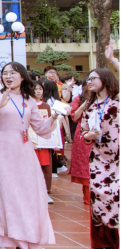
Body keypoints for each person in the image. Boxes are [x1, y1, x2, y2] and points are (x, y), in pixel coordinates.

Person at [0, 62, 57, 249]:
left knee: (28, 194)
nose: (8, 76)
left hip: (25, 150)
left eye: (13, 73)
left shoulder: (29, 100)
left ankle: (28, 237)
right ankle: (8, 239)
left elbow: (41, 129)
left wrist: (54, 118)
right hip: (2, 149)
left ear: (22, 76)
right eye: (5, 73)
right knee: (8, 194)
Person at [80, 68, 119, 249]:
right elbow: (83, 134)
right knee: (99, 198)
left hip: (118, 161)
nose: (89, 81)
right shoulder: (90, 106)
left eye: (93, 78)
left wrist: (115, 62)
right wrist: (90, 135)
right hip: (98, 161)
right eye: (89, 78)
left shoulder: (117, 102)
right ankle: (101, 243)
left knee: (115, 198)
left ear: (105, 79)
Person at [69, 83, 93, 205]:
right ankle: (88, 197)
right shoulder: (78, 99)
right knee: (85, 164)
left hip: (101, 133)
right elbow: (74, 117)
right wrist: (84, 105)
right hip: (83, 133)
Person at [33, 80, 55, 203]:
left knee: (45, 166)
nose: (38, 91)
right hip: (31, 141)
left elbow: (52, 124)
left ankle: (45, 192)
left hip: (44, 142)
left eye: (40, 89)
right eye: (35, 89)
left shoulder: (46, 106)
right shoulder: (26, 105)